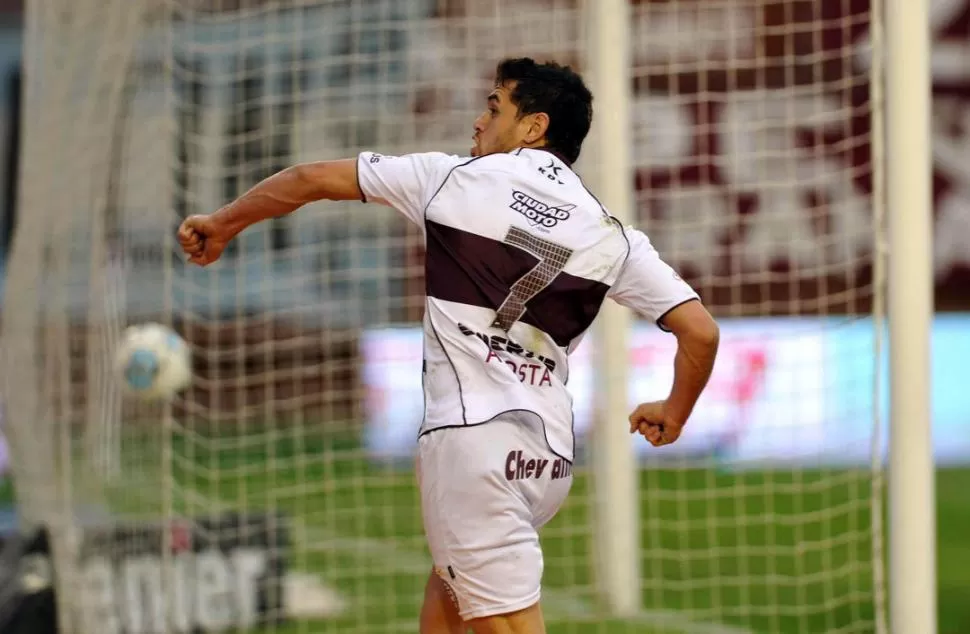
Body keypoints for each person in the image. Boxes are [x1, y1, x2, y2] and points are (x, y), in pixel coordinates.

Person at [178, 57, 720, 634]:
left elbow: (310, 179)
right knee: (449, 602)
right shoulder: (613, 235)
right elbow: (701, 332)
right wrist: (674, 412)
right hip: (547, 457)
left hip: (472, 443)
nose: (477, 122)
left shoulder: (451, 178)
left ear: (533, 127)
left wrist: (224, 223)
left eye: (493, 107)